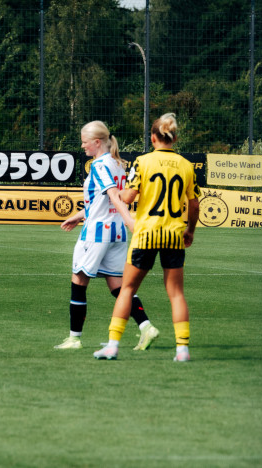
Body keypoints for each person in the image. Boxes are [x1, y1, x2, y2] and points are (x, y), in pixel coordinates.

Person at [94, 113, 201, 362]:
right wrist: (190, 231)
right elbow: (194, 205)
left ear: (153, 138)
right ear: (175, 138)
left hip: (146, 235)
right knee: (176, 293)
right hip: (173, 234)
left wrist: (118, 192)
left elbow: (128, 197)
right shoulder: (187, 166)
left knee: (127, 289)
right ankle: (182, 350)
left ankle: (112, 346)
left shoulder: (142, 162)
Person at [55, 120, 160, 351]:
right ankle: (146, 327)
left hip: (97, 234)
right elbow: (102, 201)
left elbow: (113, 196)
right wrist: (78, 215)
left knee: (78, 282)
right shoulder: (118, 164)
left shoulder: (100, 165)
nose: (82, 146)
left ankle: (74, 339)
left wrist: (130, 220)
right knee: (119, 287)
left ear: (96, 142)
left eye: (84, 142)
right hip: (117, 234)